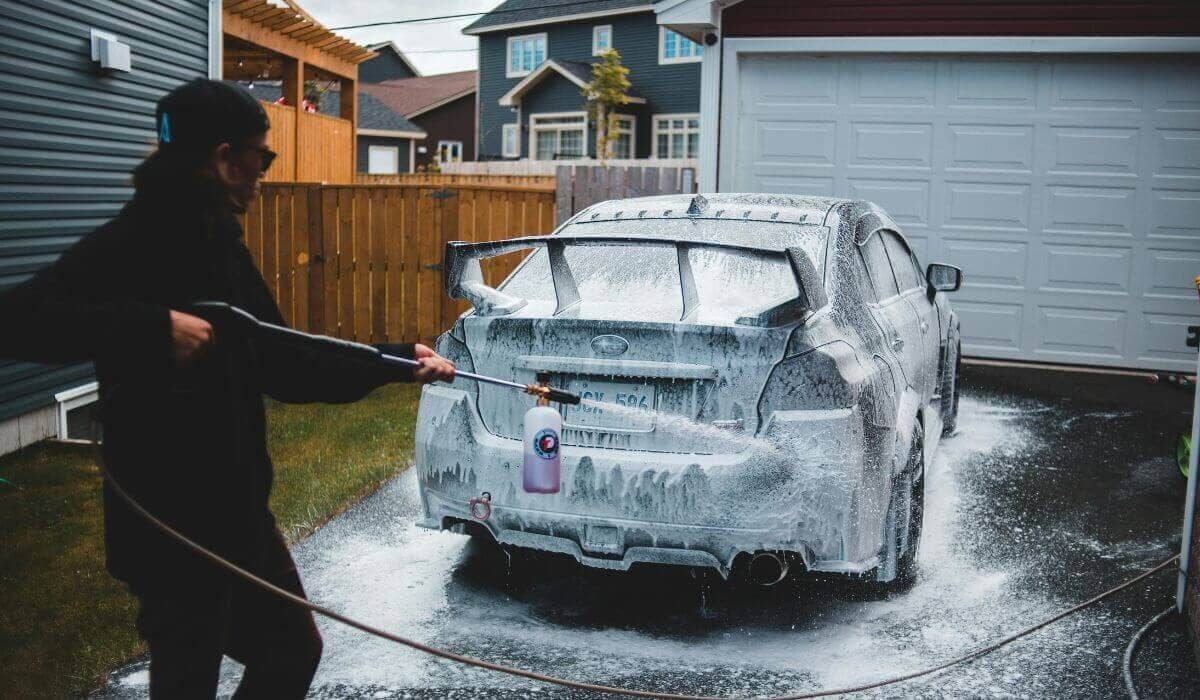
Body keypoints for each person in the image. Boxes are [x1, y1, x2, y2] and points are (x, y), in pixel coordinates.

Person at [0, 79, 454, 697]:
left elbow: (280, 360)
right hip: (172, 524)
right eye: (261, 158)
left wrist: (394, 361)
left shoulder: (219, 243)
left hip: (237, 514)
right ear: (222, 158)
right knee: (190, 677)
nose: (264, 174)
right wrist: (148, 325)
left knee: (292, 650)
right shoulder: (131, 242)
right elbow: (18, 318)